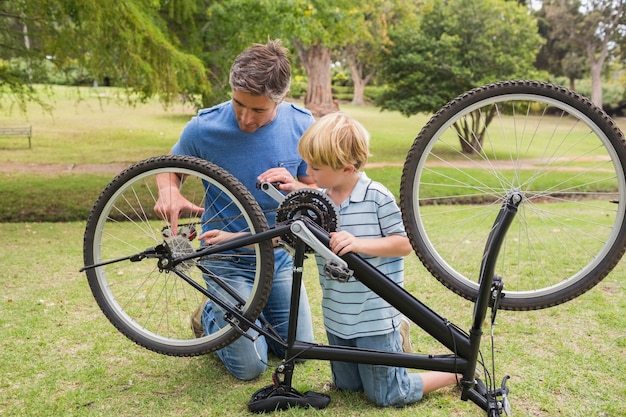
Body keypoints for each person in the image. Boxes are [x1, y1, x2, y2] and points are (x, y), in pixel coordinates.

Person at [153, 39, 316, 381]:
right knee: (251, 367)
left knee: (298, 350)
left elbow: (317, 193)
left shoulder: (302, 124)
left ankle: (246, 318)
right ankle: (210, 316)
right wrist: (169, 192)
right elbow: (170, 169)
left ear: (280, 99)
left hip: (278, 256)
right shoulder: (203, 128)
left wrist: (297, 186)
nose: (245, 117)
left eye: (258, 110)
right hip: (224, 256)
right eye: (239, 104)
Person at [280, 112, 460, 407]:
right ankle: (394, 353)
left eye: (315, 167)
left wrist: (359, 244)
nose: (308, 171)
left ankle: (452, 370)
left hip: (373, 316)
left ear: (347, 168)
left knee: (387, 394)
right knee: (347, 387)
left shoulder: (376, 197)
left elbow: (404, 244)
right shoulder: (322, 200)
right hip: (338, 313)